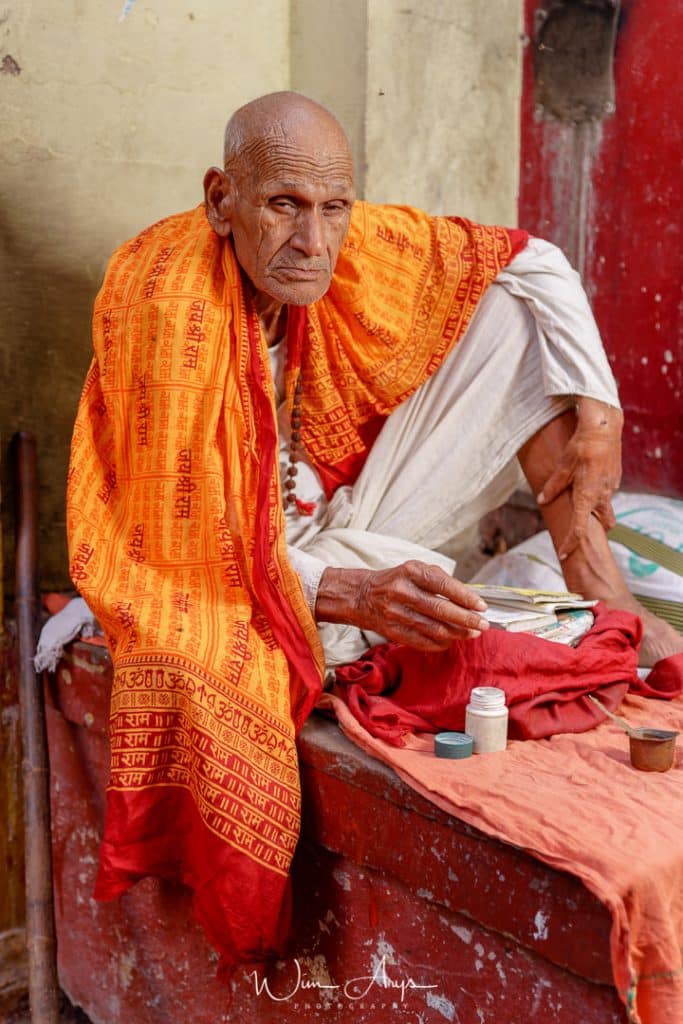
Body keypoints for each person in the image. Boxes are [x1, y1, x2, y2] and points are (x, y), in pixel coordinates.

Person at [66, 91, 682, 974]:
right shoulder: (168, 300)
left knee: (514, 311)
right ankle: (363, 597)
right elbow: (184, 545)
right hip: (213, 557)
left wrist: (602, 412)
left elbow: (534, 261)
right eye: (283, 205)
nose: (312, 241)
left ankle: (599, 586)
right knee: (248, 642)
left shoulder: (337, 239)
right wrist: (351, 589)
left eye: (332, 208)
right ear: (219, 200)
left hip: (337, 516)